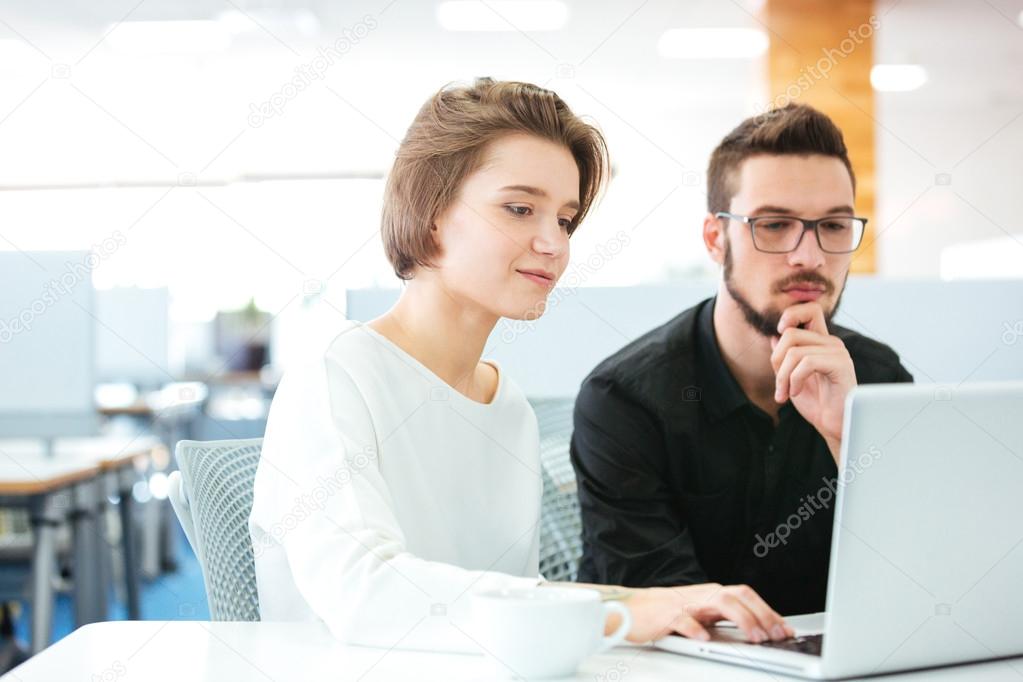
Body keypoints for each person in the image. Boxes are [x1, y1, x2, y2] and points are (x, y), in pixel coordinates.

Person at [249, 78, 794, 653]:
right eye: (519, 209)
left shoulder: (507, 406)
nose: (553, 243)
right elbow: (366, 594)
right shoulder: (335, 378)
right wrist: (626, 609)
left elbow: (513, 603)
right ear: (431, 212)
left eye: (563, 219)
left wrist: (657, 608)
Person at [571, 103, 914, 616]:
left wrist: (850, 439)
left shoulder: (878, 379)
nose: (810, 256)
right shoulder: (626, 399)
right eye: (775, 225)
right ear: (716, 239)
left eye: (835, 226)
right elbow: (652, 603)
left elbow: (919, 577)